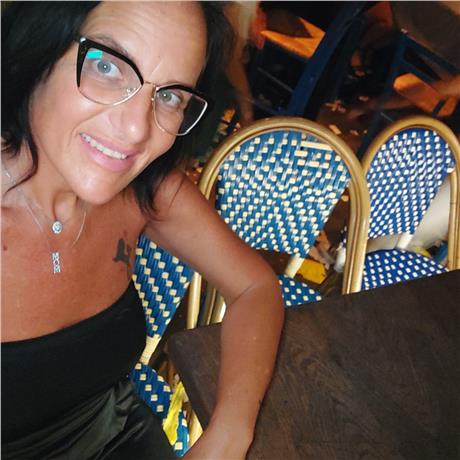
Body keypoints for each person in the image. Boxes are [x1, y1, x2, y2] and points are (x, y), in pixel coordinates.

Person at [1, 2, 284, 459]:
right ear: (38, 48)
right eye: (106, 66)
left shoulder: (143, 191)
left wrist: (230, 432)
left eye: (170, 96)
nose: (136, 129)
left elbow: (256, 287)